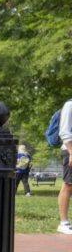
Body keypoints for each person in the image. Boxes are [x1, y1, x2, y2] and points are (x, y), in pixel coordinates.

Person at [57, 99, 72, 235]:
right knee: (68, 184)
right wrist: (71, 151)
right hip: (70, 150)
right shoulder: (70, 105)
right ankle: (63, 223)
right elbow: (64, 131)